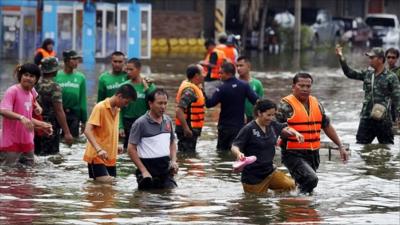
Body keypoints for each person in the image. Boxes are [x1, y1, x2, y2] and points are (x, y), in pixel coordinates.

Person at [276, 72, 348, 194]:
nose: (305, 89)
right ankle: (297, 202)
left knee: (306, 185)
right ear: (293, 87)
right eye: (301, 85)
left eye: (308, 86)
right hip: (292, 154)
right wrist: (292, 133)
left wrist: (340, 146)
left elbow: (326, 126)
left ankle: (293, 204)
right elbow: (275, 128)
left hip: (313, 153)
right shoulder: (285, 106)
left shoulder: (316, 104)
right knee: (311, 179)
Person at [231, 99, 304, 194]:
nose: (271, 118)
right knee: (257, 204)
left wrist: (296, 133)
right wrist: (238, 153)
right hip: (253, 177)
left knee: (291, 186)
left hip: (270, 171)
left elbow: (286, 127)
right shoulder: (248, 129)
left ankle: (280, 205)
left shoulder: (272, 125)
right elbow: (234, 146)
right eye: (268, 115)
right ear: (259, 113)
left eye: (273, 115)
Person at [336, 46, 400, 144]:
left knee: (386, 149)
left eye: (371, 57)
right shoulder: (368, 74)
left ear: (380, 59)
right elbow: (349, 73)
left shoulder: (391, 77)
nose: (369, 60)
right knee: (361, 147)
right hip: (366, 118)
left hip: (383, 120)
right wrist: (341, 57)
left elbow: (397, 99)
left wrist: (398, 117)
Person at [0, 63, 53, 166]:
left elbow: (28, 117)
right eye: (26, 75)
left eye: (32, 76)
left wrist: (42, 125)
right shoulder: (12, 91)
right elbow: (3, 110)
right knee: (8, 175)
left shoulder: (32, 92)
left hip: (27, 143)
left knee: (28, 176)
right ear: (21, 76)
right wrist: (21, 117)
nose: (28, 78)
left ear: (36, 80)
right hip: (11, 143)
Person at [83, 84, 137, 183]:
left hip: (110, 157)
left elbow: (108, 131)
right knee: (107, 184)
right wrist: (99, 150)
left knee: (108, 192)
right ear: (120, 96)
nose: (126, 105)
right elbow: (87, 130)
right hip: (97, 156)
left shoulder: (117, 109)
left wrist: (115, 145)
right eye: (126, 102)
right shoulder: (100, 107)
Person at [127, 88, 178, 190]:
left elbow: (172, 142)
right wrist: (144, 171)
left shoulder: (167, 120)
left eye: (165, 103)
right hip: (147, 172)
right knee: (147, 201)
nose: (163, 107)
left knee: (170, 198)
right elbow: (131, 149)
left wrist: (173, 161)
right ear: (150, 104)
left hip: (165, 171)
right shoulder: (140, 123)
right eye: (159, 103)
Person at [206, 62, 259, 151]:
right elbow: (256, 101)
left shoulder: (221, 88)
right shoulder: (244, 85)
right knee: (237, 150)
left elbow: (209, 104)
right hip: (239, 127)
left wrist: (203, 94)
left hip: (224, 127)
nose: (219, 75)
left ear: (229, 74)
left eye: (221, 73)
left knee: (222, 152)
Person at [34, 57, 74, 156]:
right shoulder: (55, 87)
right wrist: (67, 133)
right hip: (50, 126)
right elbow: (59, 110)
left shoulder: (34, 84)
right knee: (51, 155)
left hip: (34, 123)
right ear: (54, 70)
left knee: (36, 153)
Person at [119, 58, 156, 150]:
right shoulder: (124, 86)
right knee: (128, 149)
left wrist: (147, 88)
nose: (128, 72)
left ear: (139, 69)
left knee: (144, 149)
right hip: (128, 121)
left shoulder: (150, 85)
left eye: (131, 69)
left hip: (144, 121)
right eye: (127, 69)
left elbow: (154, 104)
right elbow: (119, 109)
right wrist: (120, 126)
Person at [55, 50, 87, 138]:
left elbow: (82, 100)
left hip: (74, 115)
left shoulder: (81, 77)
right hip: (58, 114)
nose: (77, 62)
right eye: (74, 59)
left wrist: (84, 120)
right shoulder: (56, 76)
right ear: (66, 60)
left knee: (72, 140)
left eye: (78, 59)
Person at [175, 64, 205, 152]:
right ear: (196, 76)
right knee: (186, 154)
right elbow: (179, 110)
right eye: (202, 73)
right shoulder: (190, 91)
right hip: (188, 130)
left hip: (191, 129)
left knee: (187, 154)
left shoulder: (195, 87)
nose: (204, 75)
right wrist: (186, 129)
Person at [237, 56, 264, 123]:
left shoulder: (257, 84)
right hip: (237, 117)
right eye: (237, 66)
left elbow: (260, 103)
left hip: (253, 118)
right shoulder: (234, 83)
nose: (238, 68)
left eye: (241, 66)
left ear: (248, 67)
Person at [385, 48, 400, 123]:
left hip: (396, 103)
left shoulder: (399, 71)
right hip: (386, 103)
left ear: (397, 59)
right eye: (388, 57)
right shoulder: (383, 71)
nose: (390, 59)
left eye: (393, 57)